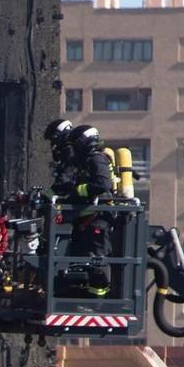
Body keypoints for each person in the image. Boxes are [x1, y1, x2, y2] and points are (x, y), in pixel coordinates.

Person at [45, 118, 117, 297]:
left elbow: (102, 184)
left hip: (97, 219)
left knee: (96, 261)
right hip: (87, 218)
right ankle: (81, 293)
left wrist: (77, 191)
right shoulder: (87, 161)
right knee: (81, 256)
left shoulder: (96, 159)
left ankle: (97, 298)